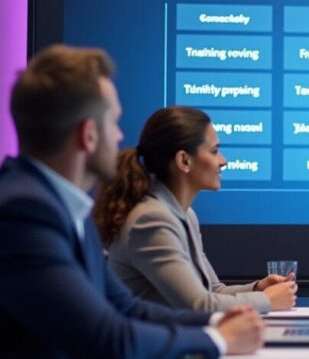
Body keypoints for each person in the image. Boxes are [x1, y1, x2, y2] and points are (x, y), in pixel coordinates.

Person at [0, 45, 264, 359]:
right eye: (114, 123)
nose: (120, 137)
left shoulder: (62, 209)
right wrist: (216, 340)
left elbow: (127, 308)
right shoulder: (21, 216)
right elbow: (110, 341)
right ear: (88, 134)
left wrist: (221, 318)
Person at [93, 106, 297, 313]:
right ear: (184, 161)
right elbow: (199, 305)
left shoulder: (185, 214)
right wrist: (266, 300)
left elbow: (213, 290)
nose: (223, 161)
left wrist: (257, 288)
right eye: (214, 151)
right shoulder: (151, 220)